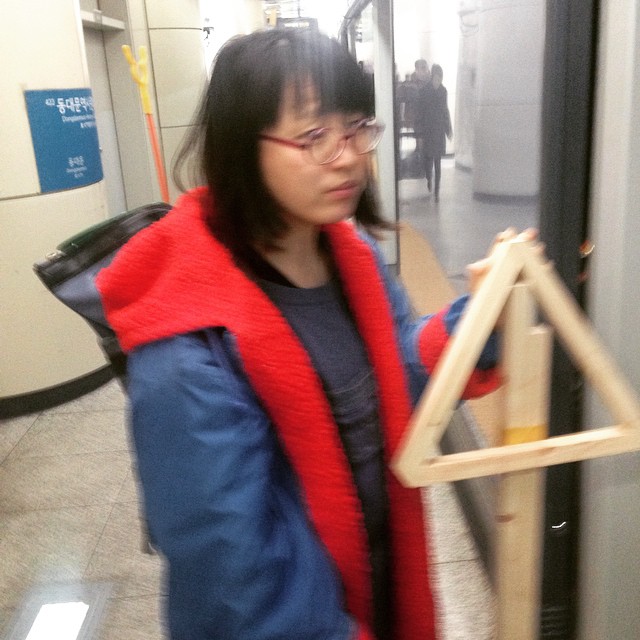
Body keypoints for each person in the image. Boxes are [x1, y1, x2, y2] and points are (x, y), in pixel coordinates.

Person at [97, 29, 511, 640]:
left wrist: (483, 323)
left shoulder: (350, 259)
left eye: (356, 128)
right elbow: (236, 587)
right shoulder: (188, 344)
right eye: (314, 135)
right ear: (244, 148)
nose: (348, 157)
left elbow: (389, 376)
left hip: (377, 584)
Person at [415, 63, 452, 202]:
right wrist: (419, 132)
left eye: (440, 79)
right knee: (428, 160)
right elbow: (420, 112)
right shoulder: (424, 91)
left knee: (437, 161)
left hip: (439, 130)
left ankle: (437, 191)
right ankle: (429, 178)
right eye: (436, 78)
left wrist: (448, 129)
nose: (438, 81)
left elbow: (445, 110)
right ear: (432, 77)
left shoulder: (443, 91)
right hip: (428, 131)